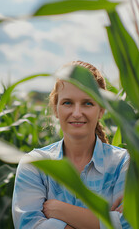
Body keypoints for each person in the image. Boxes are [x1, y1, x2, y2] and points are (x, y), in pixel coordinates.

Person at [12, 61, 130, 229]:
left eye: (87, 103)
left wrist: (60, 211)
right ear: (55, 108)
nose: (76, 113)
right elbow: (28, 226)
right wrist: (107, 222)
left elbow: (130, 224)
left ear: (101, 109)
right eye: (67, 103)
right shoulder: (35, 165)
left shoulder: (123, 163)